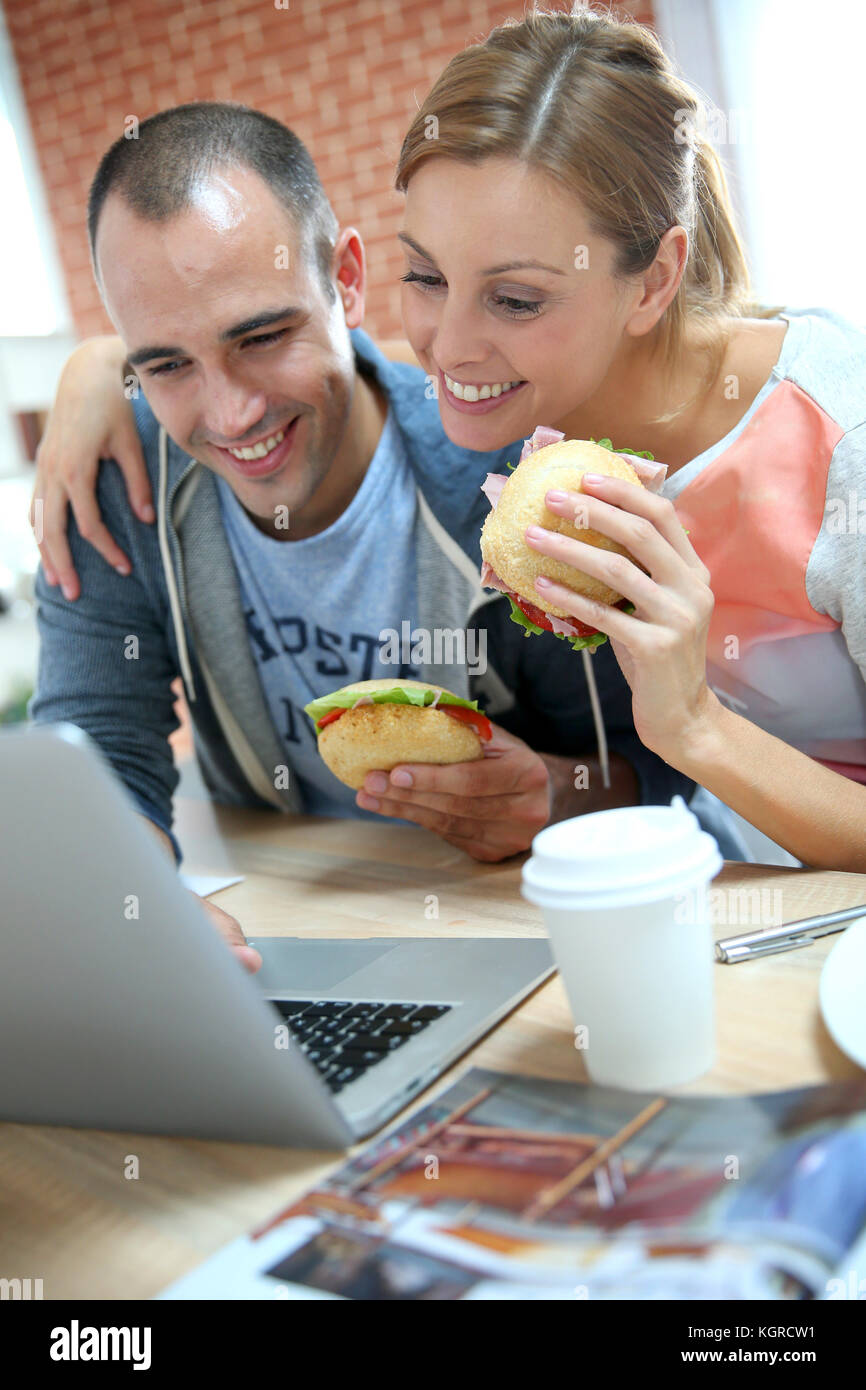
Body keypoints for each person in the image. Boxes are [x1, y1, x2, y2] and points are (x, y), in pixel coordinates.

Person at [35, 7, 866, 870]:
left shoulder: (828, 446)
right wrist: (105, 367)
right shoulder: (534, 430)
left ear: (653, 280)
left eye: (514, 299)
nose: (448, 349)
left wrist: (664, 744)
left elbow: (649, 770)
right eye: (426, 277)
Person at [28, 101, 691, 971]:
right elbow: (94, 750)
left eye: (261, 336)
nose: (231, 414)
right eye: (166, 364)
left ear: (346, 280)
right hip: (276, 929)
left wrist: (553, 796)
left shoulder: (505, 488)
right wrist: (139, 910)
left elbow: (653, 768)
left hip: (528, 936)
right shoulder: (114, 483)